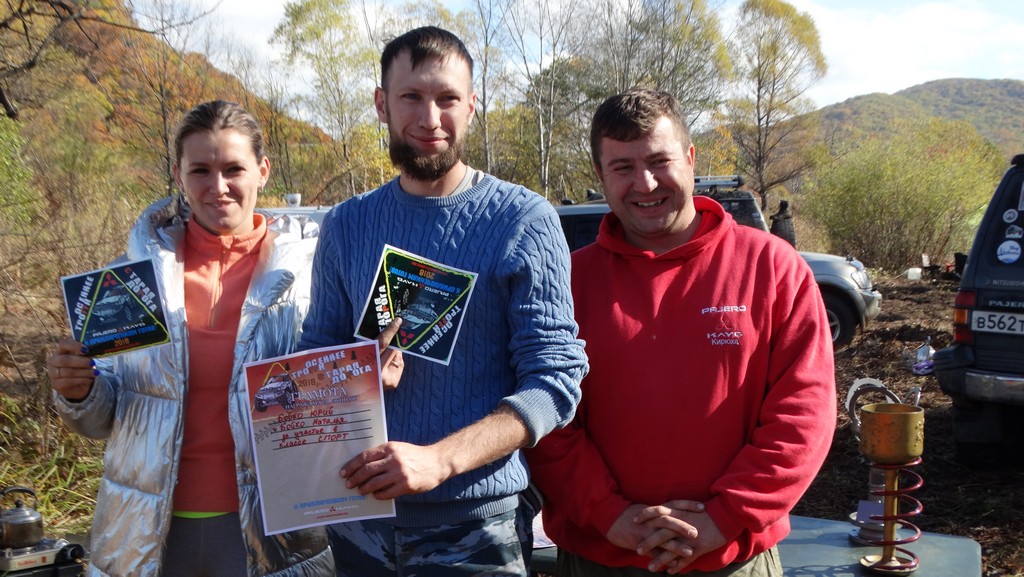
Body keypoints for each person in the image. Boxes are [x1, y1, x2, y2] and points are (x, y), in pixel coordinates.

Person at [297, 26, 587, 577]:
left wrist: (440, 460)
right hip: (359, 521)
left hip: (477, 528)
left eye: (447, 98)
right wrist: (353, 373)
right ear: (382, 104)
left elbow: (555, 380)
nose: (430, 118)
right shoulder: (346, 225)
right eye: (411, 96)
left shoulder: (523, 220)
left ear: (472, 106)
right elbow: (313, 359)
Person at [526, 88, 836, 576]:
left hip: (733, 558)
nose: (645, 183)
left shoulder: (772, 266)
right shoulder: (567, 281)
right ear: (601, 176)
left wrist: (725, 516)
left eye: (659, 161)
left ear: (691, 159)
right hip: (598, 556)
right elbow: (546, 415)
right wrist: (609, 515)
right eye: (623, 167)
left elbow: (804, 412)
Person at [46, 100, 334, 576]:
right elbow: (100, 419)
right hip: (148, 529)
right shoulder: (129, 281)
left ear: (262, 171)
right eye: (200, 170)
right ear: (179, 177)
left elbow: (339, 396)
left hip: (273, 531)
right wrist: (78, 391)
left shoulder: (315, 274)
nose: (217, 186)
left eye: (233, 169)